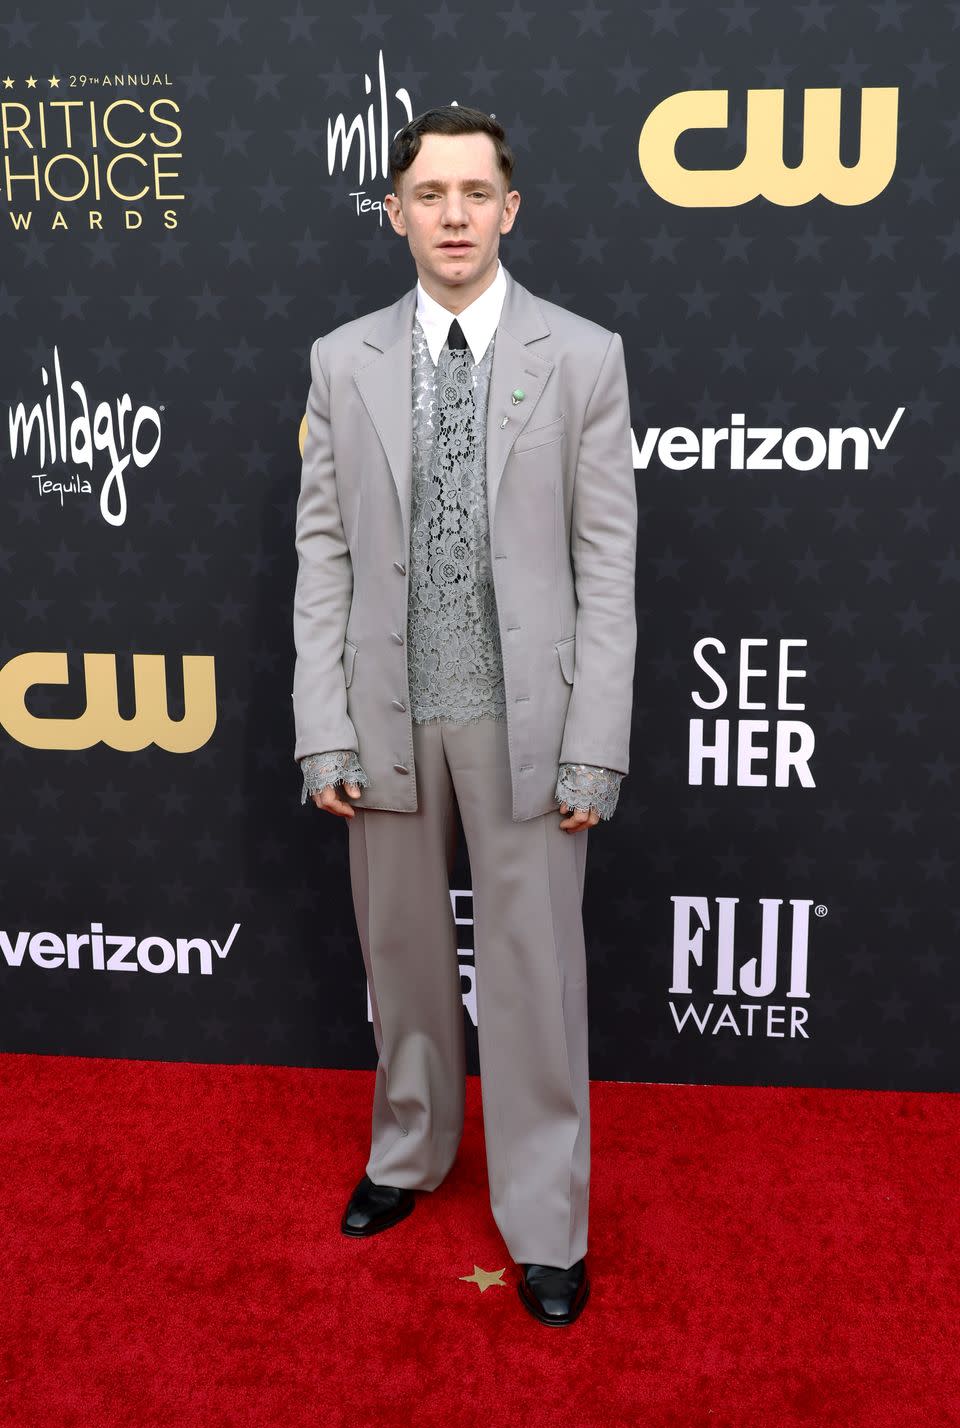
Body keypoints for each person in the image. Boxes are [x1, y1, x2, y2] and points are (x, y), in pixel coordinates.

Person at [292, 105, 637, 1326]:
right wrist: (320, 721)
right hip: (388, 710)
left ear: (510, 208)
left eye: (473, 192)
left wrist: (596, 742)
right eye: (427, 193)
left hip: (526, 720)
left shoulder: (583, 357)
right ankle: (409, 1152)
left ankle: (547, 1215)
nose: (451, 214)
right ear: (393, 211)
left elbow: (608, 569)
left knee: (538, 975)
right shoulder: (343, 360)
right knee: (401, 959)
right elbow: (323, 556)